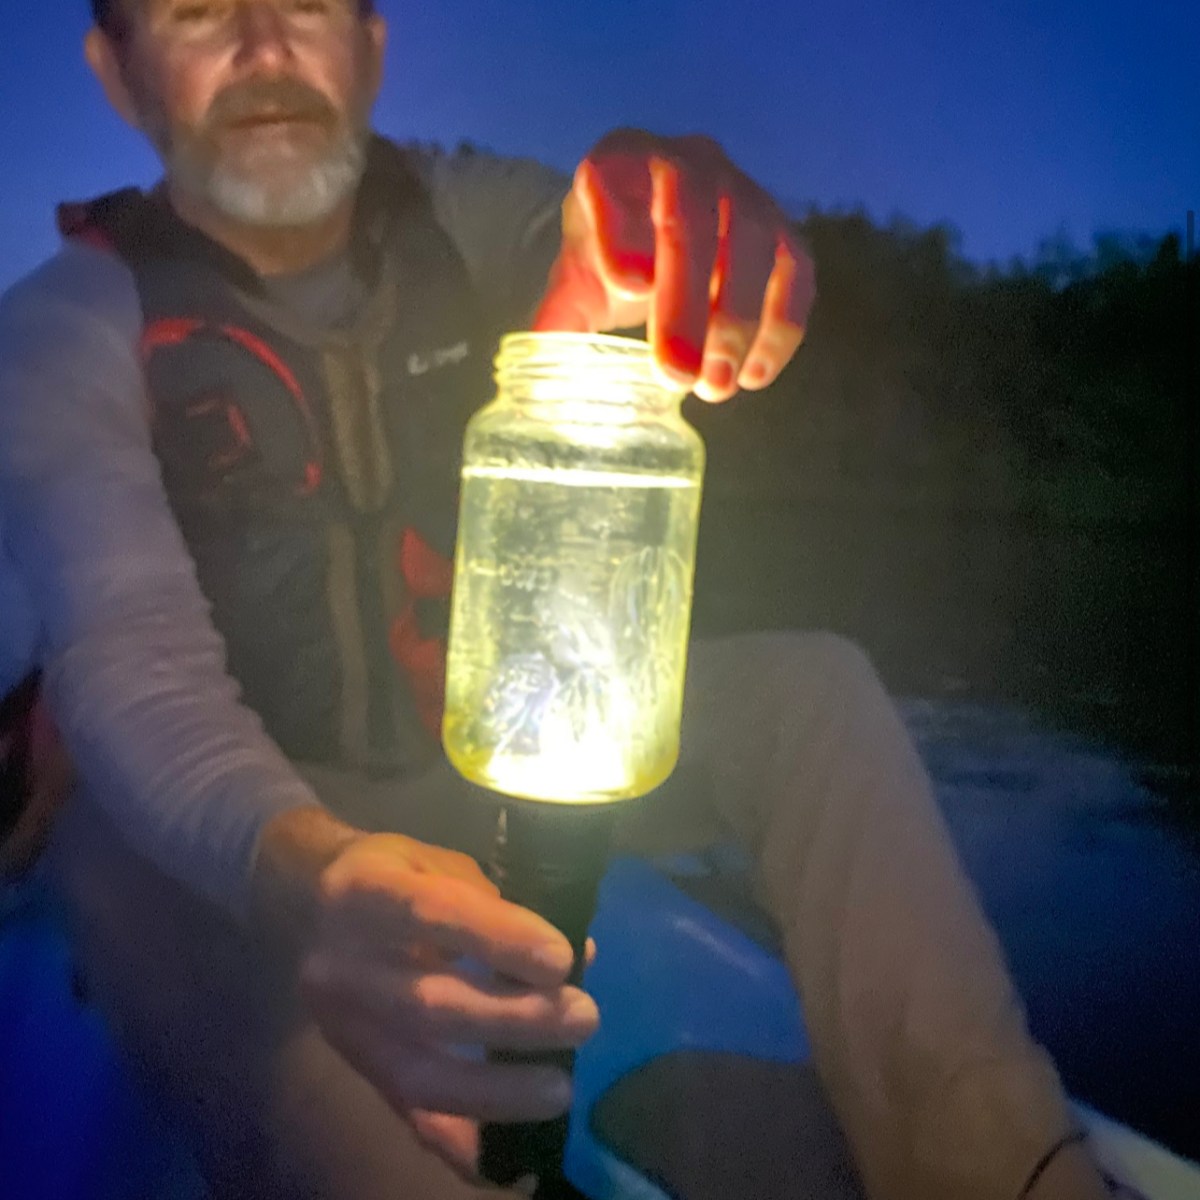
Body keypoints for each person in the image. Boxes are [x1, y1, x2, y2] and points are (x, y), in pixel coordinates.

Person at [0, 2, 1111, 1198]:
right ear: (115, 72)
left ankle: (996, 1160)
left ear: (373, 44)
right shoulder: (62, 325)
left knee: (810, 691)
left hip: (484, 752)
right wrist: (305, 875)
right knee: (105, 844)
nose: (264, 47)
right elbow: (131, 657)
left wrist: (675, 244)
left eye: (308, 0)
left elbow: (594, 254)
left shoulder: (466, 218)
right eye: (196, 8)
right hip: (275, 814)